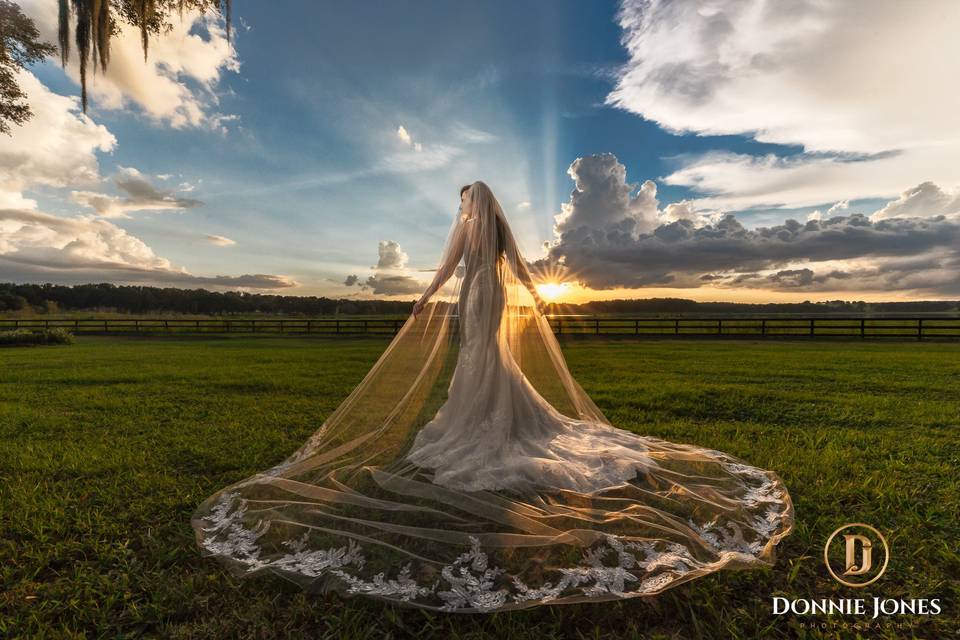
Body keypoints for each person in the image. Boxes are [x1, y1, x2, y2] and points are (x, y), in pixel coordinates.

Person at [191, 180, 794, 613]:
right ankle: (485, 413)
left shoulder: (480, 227)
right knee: (484, 355)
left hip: (484, 292)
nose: (463, 210)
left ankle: (487, 423)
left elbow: (460, 266)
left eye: (463, 203)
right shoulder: (494, 226)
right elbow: (512, 268)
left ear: (470, 202)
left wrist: (435, 294)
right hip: (492, 292)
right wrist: (516, 290)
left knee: (482, 354)